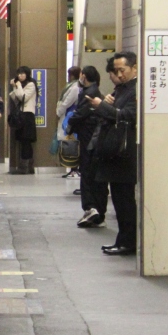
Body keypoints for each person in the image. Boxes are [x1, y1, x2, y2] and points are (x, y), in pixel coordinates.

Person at [89, 52, 138, 255]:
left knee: (125, 201)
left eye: (122, 70)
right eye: (116, 70)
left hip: (125, 153)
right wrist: (107, 105)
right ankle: (123, 239)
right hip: (116, 153)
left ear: (134, 68)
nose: (118, 74)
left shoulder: (135, 90)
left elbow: (128, 116)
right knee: (119, 200)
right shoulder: (121, 89)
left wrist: (103, 106)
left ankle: (128, 241)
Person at [68, 65, 105, 225]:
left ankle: (91, 208)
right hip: (93, 137)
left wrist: (70, 123)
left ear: (84, 76)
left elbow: (80, 114)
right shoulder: (95, 91)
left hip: (88, 137)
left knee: (88, 172)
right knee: (94, 174)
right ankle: (98, 211)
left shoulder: (89, 93)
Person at [8, 66, 38, 174]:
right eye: (18, 74)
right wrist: (14, 87)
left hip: (27, 116)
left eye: (22, 74)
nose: (20, 76)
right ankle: (26, 166)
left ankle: (26, 166)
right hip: (21, 115)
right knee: (22, 140)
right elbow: (16, 99)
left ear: (27, 74)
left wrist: (18, 85)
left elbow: (22, 98)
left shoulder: (31, 84)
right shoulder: (20, 85)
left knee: (26, 141)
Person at [55, 65, 82, 177]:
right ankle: (73, 167)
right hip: (67, 116)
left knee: (71, 141)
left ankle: (74, 166)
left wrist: (58, 112)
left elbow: (66, 102)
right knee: (69, 140)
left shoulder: (75, 87)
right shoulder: (72, 86)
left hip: (69, 116)